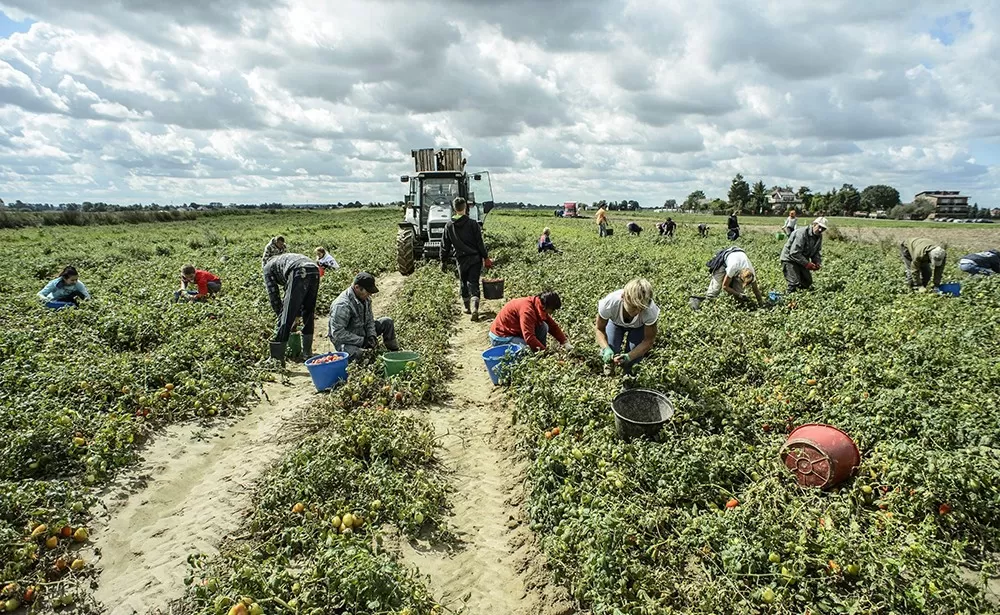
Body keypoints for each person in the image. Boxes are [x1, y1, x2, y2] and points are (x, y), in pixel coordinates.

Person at [328, 272, 399, 360]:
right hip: (346, 341)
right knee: (360, 355)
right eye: (368, 292)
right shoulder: (342, 305)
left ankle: (394, 352)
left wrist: (371, 335)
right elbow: (338, 334)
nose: (370, 295)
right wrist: (363, 341)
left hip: (362, 332)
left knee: (387, 322)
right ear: (357, 287)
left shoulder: (366, 299)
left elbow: (369, 320)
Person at [595, 278, 658, 376]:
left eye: (640, 308)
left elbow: (648, 341)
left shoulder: (650, 311)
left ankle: (628, 376)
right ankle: (609, 366)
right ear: (623, 297)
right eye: (633, 307)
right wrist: (606, 348)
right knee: (612, 347)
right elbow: (599, 329)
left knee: (634, 355)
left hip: (638, 327)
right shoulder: (609, 303)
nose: (637, 312)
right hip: (615, 324)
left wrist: (630, 356)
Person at [263, 253, 320, 363]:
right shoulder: (282, 262)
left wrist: (281, 316)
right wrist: (297, 315)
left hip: (298, 270)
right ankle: (307, 353)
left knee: (286, 314)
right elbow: (295, 294)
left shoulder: (267, 268)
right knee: (308, 310)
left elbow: (274, 296)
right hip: (314, 269)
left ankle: (277, 359)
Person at [442, 197, 490, 321]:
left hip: (461, 259)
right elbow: (480, 243)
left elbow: (445, 245)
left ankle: (467, 307)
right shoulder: (473, 224)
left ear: (454, 208)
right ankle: (475, 308)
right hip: (475, 258)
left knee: (463, 282)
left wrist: (443, 261)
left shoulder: (449, 226)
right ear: (465, 208)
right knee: (473, 282)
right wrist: (486, 257)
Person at [488, 291, 571, 352]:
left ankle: (538, 351)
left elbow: (553, 326)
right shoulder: (527, 311)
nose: (552, 312)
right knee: (525, 349)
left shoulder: (537, 305)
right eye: (552, 310)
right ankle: (538, 353)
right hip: (501, 337)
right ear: (545, 306)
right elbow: (529, 337)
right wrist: (545, 352)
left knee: (543, 326)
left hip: (513, 331)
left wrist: (565, 342)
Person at [694, 247, 763, 309]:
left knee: (739, 291)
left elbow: (756, 290)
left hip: (739, 254)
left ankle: (738, 305)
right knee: (715, 287)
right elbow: (725, 286)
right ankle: (707, 303)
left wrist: (761, 305)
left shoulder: (751, 273)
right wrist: (738, 294)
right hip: (726, 258)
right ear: (739, 276)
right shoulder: (733, 267)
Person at [779, 217, 827, 292]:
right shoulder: (802, 233)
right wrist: (807, 264)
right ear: (814, 224)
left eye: (823, 228)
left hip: (801, 259)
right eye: (819, 227)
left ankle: (801, 298)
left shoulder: (819, 236)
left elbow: (816, 252)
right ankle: (789, 299)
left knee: (807, 282)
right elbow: (794, 252)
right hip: (789, 259)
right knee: (794, 282)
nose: (820, 230)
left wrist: (817, 262)